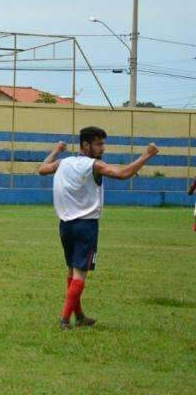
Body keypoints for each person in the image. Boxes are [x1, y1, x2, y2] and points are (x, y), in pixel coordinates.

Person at [38, 127, 159, 330]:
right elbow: (123, 173)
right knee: (80, 273)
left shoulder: (64, 162)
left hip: (65, 225)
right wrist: (147, 155)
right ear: (86, 145)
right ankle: (65, 319)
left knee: (72, 270)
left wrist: (56, 150)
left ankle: (79, 315)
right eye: (99, 144)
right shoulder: (94, 165)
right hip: (86, 226)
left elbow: (42, 169)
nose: (103, 148)